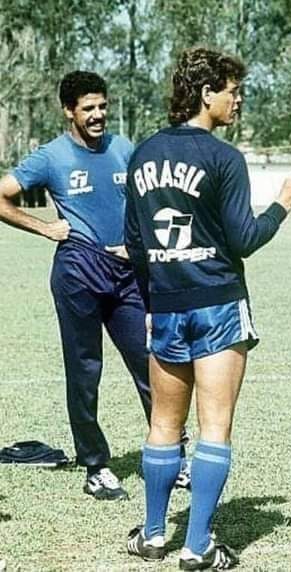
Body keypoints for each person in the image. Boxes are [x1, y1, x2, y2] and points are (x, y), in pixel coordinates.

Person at [124, 47, 291, 569]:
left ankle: (151, 536)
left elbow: (135, 243)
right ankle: (197, 546)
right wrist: (285, 201)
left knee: (163, 426)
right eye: (233, 91)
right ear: (207, 93)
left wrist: (154, 300)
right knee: (214, 427)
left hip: (165, 306)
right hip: (216, 305)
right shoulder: (222, 157)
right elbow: (246, 238)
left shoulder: (143, 153)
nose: (238, 101)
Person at [0, 71, 182, 500]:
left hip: (126, 273)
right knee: (85, 372)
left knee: (150, 363)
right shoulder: (51, 157)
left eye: (102, 106)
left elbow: (151, 196)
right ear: (69, 111)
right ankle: (96, 466)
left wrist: (139, 245)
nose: (98, 115)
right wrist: (44, 228)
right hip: (78, 271)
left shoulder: (123, 148)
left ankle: (170, 456)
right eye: (88, 109)